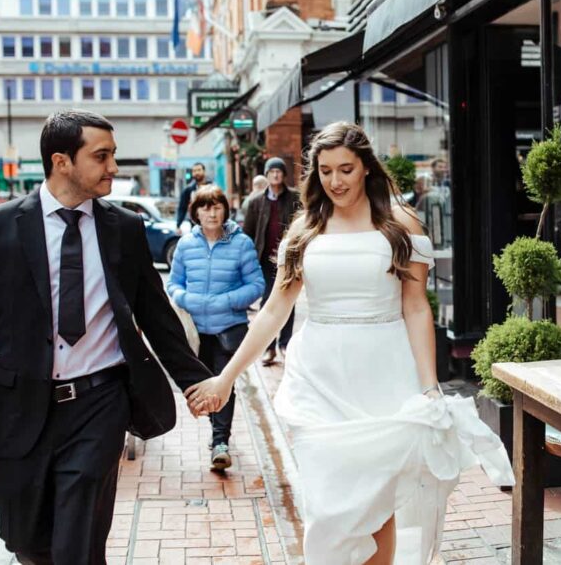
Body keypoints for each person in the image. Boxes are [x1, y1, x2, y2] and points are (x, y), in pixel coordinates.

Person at [185, 122, 513, 564]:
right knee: (326, 506)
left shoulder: (400, 222)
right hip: (318, 378)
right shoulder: (305, 228)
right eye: (325, 171)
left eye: (346, 169)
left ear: (366, 168)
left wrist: (429, 386)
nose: (335, 181)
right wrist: (226, 378)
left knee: (376, 503)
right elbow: (274, 311)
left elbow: (416, 307)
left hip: (384, 375)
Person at [0, 111, 218, 565]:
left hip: (99, 403)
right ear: (61, 161)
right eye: (101, 156)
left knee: (79, 543)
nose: (113, 167)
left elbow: (155, 314)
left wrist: (198, 381)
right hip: (17, 408)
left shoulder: (123, 228)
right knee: (28, 543)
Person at [167, 184, 264, 471]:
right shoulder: (186, 245)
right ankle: (216, 430)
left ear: (225, 210)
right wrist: (189, 299)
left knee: (223, 385)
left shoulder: (241, 243)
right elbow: (173, 284)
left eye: (217, 207)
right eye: (205, 208)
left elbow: (256, 285)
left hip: (228, 329)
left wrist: (226, 301)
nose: (212, 213)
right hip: (196, 333)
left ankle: (221, 441)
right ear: (196, 212)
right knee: (203, 385)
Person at [242, 157, 300, 365]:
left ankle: (284, 344)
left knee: (288, 300)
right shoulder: (256, 202)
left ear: (284, 175)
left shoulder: (295, 198)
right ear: (266, 175)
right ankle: (268, 347)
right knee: (268, 301)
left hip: (289, 259)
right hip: (265, 260)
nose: (275, 175)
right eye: (272, 171)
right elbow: (248, 232)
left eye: (279, 171)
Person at [176, 162, 210, 228]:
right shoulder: (188, 190)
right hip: (195, 224)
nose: (197, 173)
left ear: (204, 171)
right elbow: (182, 208)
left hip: (210, 221)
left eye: (199, 170)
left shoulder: (212, 187)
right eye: (194, 171)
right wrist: (178, 225)